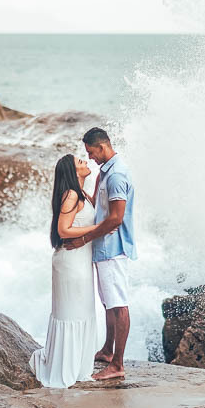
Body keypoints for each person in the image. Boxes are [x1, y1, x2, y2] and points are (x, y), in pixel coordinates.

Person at [64, 127, 136, 381]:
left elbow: (115, 219)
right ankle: (107, 350)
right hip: (103, 249)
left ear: (102, 147)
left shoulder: (116, 175)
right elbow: (101, 208)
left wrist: (84, 238)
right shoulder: (105, 173)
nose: (90, 157)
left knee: (118, 305)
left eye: (91, 152)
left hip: (113, 249)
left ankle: (117, 364)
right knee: (108, 303)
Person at [28, 154, 101, 388]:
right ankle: (64, 367)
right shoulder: (71, 195)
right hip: (71, 261)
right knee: (71, 312)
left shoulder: (81, 194)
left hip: (79, 260)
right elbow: (63, 230)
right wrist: (98, 228)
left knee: (81, 310)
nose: (85, 163)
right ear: (72, 171)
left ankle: (76, 365)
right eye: (80, 162)